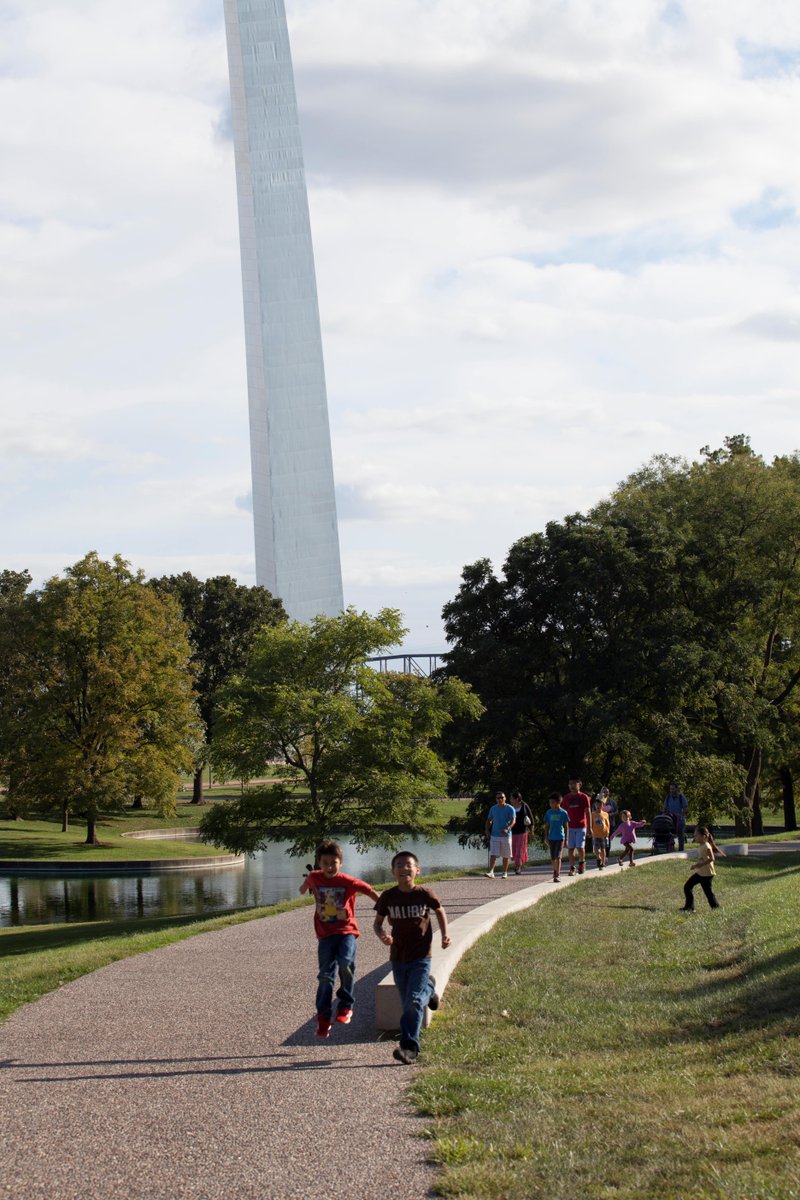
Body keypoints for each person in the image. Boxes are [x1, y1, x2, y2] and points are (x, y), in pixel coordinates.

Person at [374, 850, 451, 1064]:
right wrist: (382, 935)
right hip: (398, 957)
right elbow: (377, 923)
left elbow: (439, 910)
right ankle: (429, 990)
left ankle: (409, 1047)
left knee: (413, 1001)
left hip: (421, 956)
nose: (404, 868)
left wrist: (445, 934)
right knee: (408, 1002)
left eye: (408, 865)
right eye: (399, 865)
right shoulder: (388, 897)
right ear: (392, 871)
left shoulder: (424, 893)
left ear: (418, 870)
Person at [299, 839, 380, 1039]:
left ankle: (345, 1006)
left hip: (346, 932)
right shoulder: (315, 877)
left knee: (345, 964)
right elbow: (304, 886)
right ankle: (324, 1018)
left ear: (340, 863)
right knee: (325, 976)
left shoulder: (348, 882)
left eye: (333, 863)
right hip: (325, 936)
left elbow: (370, 891)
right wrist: (305, 886)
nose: (329, 867)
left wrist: (385, 909)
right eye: (325, 863)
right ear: (319, 863)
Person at [681, 826, 725, 912]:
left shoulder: (706, 846)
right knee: (688, 887)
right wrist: (696, 865)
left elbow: (712, 858)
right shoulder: (702, 846)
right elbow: (703, 859)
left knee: (705, 892)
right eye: (694, 835)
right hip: (702, 873)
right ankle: (690, 907)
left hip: (706, 874)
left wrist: (700, 865)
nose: (694, 837)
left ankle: (715, 908)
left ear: (704, 836)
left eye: (696, 835)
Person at [562, 777, 592, 876]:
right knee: (571, 848)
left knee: (580, 847)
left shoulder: (584, 797)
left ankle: (582, 864)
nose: (571, 786)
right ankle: (572, 868)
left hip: (581, 826)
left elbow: (588, 812)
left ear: (580, 785)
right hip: (570, 827)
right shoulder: (566, 798)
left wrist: (590, 827)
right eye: (570, 784)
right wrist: (562, 826)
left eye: (574, 784)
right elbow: (563, 813)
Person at [484, 791, 515, 878]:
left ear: (505, 798)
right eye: (498, 798)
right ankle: (491, 872)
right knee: (493, 854)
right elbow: (489, 820)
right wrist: (487, 830)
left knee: (505, 855)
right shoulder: (493, 809)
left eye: (502, 797)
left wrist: (507, 828)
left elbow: (513, 821)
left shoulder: (510, 808)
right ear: (496, 799)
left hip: (506, 835)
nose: (500, 799)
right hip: (494, 835)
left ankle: (504, 872)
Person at [542, 791, 569, 881]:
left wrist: (566, 839)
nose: (551, 804)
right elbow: (546, 826)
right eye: (550, 802)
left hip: (560, 837)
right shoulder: (549, 813)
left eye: (553, 802)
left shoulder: (563, 813)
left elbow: (566, 826)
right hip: (551, 837)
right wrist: (546, 836)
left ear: (559, 802)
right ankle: (554, 870)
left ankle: (557, 874)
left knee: (558, 856)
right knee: (553, 857)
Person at [509, 789, 535, 875]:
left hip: (522, 832)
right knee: (513, 851)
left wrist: (532, 830)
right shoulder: (510, 808)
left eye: (512, 798)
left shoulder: (524, 806)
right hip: (512, 832)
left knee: (520, 850)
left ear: (517, 799)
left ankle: (518, 867)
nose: (510, 800)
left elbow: (531, 819)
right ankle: (517, 865)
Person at [664, 783, 689, 851]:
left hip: (680, 820)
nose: (671, 790)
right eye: (670, 789)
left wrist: (680, 814)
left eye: (673, 789)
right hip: (670, 820)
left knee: (681, 837)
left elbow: (686, 809)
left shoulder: (681, 797)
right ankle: (670, 849)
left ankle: (681, 851)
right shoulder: (668, 797)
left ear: (677, 789)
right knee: (669, 836)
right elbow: (665, 808)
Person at [589, 798, 610, 869]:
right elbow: (590, 824)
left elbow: (607, 824)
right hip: (595, 834)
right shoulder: (592, 814)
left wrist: (608, 832)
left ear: (603, 805)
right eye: (597, 804)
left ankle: (603, 863)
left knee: (603, 849)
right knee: (595, 849)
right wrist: (589, 831)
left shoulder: (605, 814)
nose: (598, 806)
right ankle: (599, 858)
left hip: (603, 834)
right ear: (595, 805)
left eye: (600, 805)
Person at [599, 786, 618, 853]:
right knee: (600, 838)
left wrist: (610, 814)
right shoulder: (598, 801)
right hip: (599, 823)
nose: (605, 793)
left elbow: (616, 811)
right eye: (604, 792)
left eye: (607, 792)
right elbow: (593, 810)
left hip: (610, 823)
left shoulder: (612, 802)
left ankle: (606, 854)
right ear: (601, 792)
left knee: (607, 839)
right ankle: (600, 853)